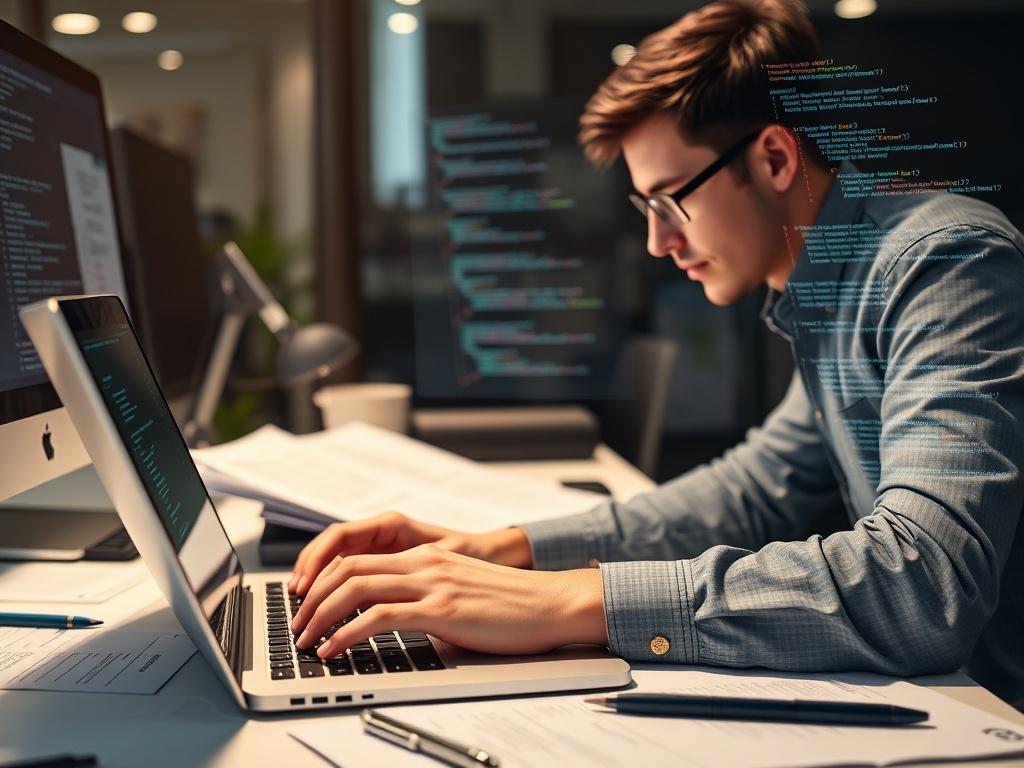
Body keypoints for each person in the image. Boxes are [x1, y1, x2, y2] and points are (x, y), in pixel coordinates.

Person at [290, 0, 1024, 709]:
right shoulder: (833, 284)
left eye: (672, 200)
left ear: (774, 158)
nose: (658, 242)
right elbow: (755, 491)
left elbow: (923, 584)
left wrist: (570, 600)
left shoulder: (944, 265)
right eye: (646, 208)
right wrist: (500, 551)